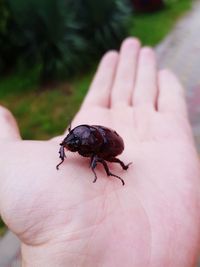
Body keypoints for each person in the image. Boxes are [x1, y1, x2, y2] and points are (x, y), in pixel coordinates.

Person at [0, 37, 199, 267]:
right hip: (99, 137)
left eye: (74, 142)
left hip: (112, 145)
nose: (70, 144)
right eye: (72, 141)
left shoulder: (95, 148)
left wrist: (107, 170)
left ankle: (121, 168)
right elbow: (67, 143)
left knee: (106, 161)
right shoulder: (80, 138)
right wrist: (63, 156)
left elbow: (97, 156)